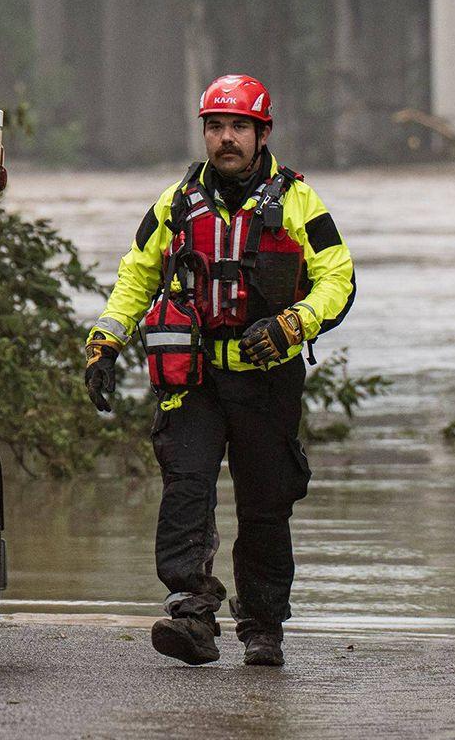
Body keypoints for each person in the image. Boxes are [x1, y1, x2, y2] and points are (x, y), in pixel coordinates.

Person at [83, 74, 355, 667]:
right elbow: (136, 274)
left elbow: (339, 279)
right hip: (195, 378)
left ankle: (262, 627)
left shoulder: (301, 203)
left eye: (238, 128)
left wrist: (295, 322)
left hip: (267, 379)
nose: (225, 138)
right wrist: (106, 341)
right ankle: (192, 614)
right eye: (215, 127)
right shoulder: (176, 204)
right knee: (187, 487)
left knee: (264, 503)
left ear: (262, 133)